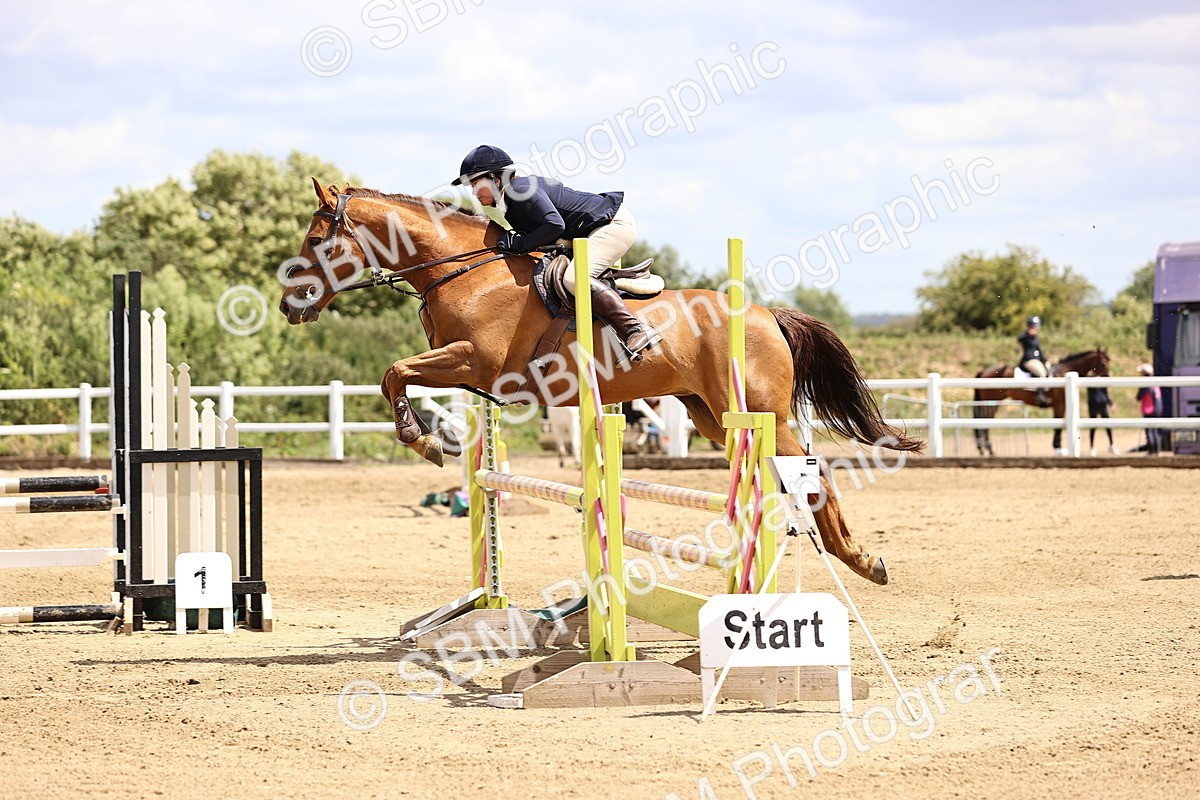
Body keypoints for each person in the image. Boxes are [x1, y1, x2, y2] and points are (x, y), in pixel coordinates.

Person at [452, 144, 661, 361]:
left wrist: (521, 243)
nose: (474, 192)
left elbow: (554, 224)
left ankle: (636, 329)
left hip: (613, 225)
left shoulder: (520, 190)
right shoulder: (510, 202)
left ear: (496, 179)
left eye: (476, 183)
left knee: (573, 279)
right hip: (587, 232)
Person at [1017, 315, 1051, 407]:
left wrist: (1044, 359)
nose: (1034, 328)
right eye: (1032, 326)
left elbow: (1039, 350)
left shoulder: (1035, 337)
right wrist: (1028, 333)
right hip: (1029, 360)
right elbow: (1019, 338)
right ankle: (1040, 396)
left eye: (1035, 326)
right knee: (1042, 373)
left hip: (1037, 360)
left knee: (1049, 368)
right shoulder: (1025, 336)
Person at [1133, 363, 1164, 455]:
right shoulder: (1154, 383)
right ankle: (1157, 450)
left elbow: (1138, 397)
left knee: (1149, 431)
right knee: (1155, 430)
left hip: (1149, 410)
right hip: (1157, 409)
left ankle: (1152, 450)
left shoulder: (1145, 384)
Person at [1087, 384, 1119, 456]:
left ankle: (1112, 444)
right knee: (1093, 427)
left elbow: (1105, 394)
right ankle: (1092, 447)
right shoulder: (1090, 378)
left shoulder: (1103, 380)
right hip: (1093, 405)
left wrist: (1111, 404)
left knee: (1108, 425)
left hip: (1103, 405)